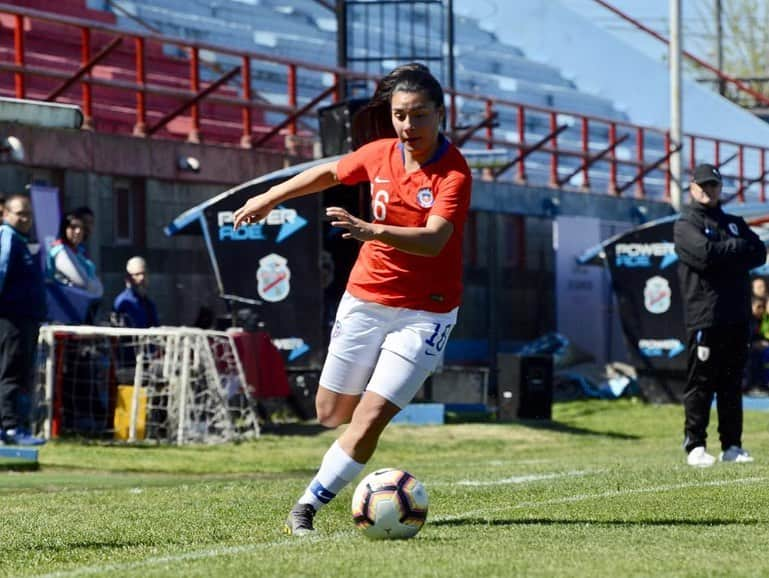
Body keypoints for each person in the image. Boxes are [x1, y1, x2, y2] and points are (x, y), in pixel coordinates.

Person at [233, 63, 472, 535]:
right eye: (401, 115)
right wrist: (270, 196)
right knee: (330, 413)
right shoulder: (379, 153)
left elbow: (433, 240)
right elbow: (326, 173)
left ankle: (306, 507)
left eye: (419, 115)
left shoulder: (454, 173)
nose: (409, 126)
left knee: (367, 419)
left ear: (441, 115)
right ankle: (363, 420)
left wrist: (370, 231)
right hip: (365, 299)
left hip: (426, 312)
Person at [673, 163, 766, 467]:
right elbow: (704, 255)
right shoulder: (686, 224)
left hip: (736, 316)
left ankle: (732, 445)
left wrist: (729, 249)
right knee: (701, 382)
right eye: (703, 185)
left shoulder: (734, 222)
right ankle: (695, 444)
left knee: (731, 383)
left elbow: (758, 252)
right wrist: (735, 251)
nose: (708, 190)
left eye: (713, 185)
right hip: (705, 316)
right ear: (692, 187)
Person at [0, 195, 46, 445]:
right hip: (12, 318)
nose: (26, 218)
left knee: (20, 372)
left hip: (26, 318)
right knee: (13, 371)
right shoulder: (7, 237)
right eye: (20, 213)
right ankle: (10, 427)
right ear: (5, 214)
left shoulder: (22, 241)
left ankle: (13, 425)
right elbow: (1, 270)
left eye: (29, 213)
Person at [46, 212, 103, 297]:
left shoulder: (78, 251)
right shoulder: (61, 251)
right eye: (73, 227)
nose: (78, 231)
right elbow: (82, 282)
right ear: (64, 228)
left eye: (81, 227)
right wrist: (97, 288)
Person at [112, 256, 159, 328]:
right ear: (128, 278)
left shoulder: (148, 303)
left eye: (144, 273)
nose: (142, 278)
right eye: (137, 274)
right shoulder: (123, 302)